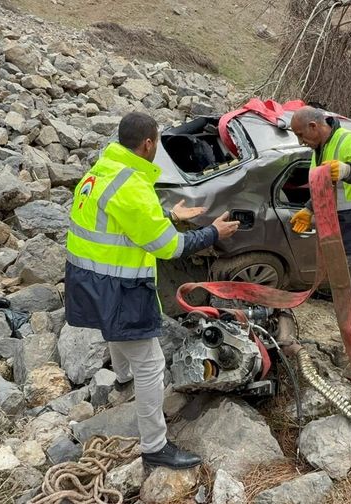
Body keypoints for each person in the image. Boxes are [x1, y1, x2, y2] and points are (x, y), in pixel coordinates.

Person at [64, 112, 240, 469]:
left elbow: (128, 224)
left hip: (89, 279)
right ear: (148, 143)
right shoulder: (131, 186)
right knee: (152, 365)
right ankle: (155, 447)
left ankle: (122, 379)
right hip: (119, 287)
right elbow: (168, 247)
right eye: (157, 141)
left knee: (117, 334)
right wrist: (213, 234)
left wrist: (171, 215)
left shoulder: (104, 169)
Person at [289, 106, 351, 346]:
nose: (300, 141)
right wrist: (308, 209)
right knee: (343, 286)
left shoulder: (349, 141)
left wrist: (348, 170)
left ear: (314, 126)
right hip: (338, 228)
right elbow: (324, 186)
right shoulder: (319, 148)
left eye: (301, 134)